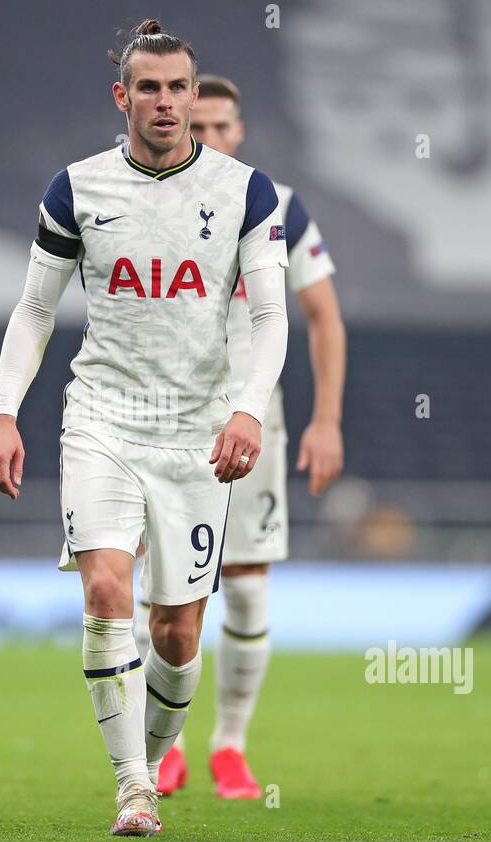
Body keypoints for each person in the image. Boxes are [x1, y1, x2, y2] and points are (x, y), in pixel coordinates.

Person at [0, 22, 288, 836]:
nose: (163, 101)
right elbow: (36, 308)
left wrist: (248, 408)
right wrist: (2, 412)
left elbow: (271, 316)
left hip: (196, 436)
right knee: (107, 591)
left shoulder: (244, 193)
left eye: (176, 87)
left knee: (178, 631)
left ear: (194, 94)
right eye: (146, 87)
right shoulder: (76, 189)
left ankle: (148, 764)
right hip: (103, 419)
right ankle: (133, 788)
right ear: (122, 97)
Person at [135, 73, 346, 799]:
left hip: (254, 423)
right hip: (163, 418)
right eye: (204, 127)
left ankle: (230, 747)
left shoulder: (278, 206)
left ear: (241, 130)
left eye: (226, 127)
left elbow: (322, 316)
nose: (216, 139)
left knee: (248, 590)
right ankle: (165, 747)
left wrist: (325, 419)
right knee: (158, 593)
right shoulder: (147, 198)